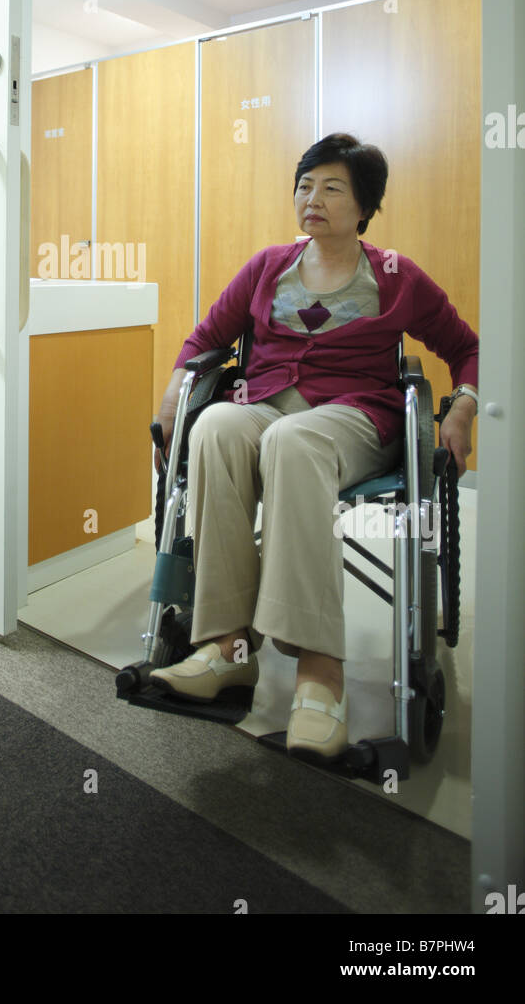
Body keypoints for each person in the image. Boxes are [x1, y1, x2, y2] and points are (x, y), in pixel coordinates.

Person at [149, 133, 478, 760]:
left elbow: (469, 347)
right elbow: (204, 340)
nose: (313, 198)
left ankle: (321, 675)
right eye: (305, 185)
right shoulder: (269, 265)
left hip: (354, 418)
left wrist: (463, 405)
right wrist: (172, 405)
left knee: (293, 442)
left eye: (332, 187)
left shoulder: (395, 274)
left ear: (364, 207)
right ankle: (227, 648)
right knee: (217, 424)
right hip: (265, 404)